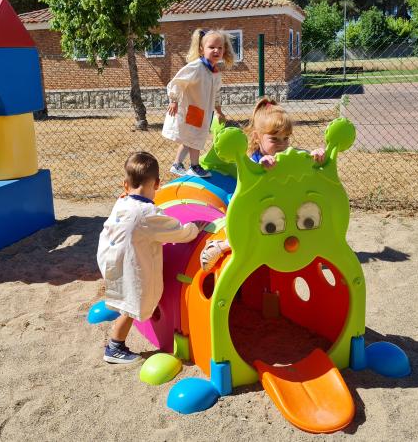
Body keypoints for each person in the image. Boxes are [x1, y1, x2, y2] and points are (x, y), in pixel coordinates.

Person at [97, 151, 203, 363]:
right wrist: (195, 228)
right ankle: (114, 348)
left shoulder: (122, 201)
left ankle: (116, 342)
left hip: (109, 256)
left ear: (125, 185)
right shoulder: (148, 213)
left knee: (126, 297)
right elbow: (179, 233)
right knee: (132, 304)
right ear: (156, 184)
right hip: (127, 262)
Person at [199, 97, 326, 271]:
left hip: (284, 211)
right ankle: (220, 246)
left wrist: (316, 156)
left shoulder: (290, 155)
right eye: (274, 139)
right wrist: (261, 167)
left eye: (286, 138)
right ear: (257, 137)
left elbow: (305, 160)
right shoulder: (254, 160)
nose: (282, 145)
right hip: (258, 212)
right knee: (245, 235)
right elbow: (250, 184)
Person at [162, 28, 235, 178]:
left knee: (191, 139)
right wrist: (173, 100)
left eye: (220, 48)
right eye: (211, 47)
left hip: (203, 112)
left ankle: (177, 164)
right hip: (193, 110)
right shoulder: (197, 67)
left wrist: (219, 111)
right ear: (202, 49)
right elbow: (177, 81)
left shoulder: (214, 72)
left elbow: (216, 94)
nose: (216, 50)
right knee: (195, 139)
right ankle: (194, 166)